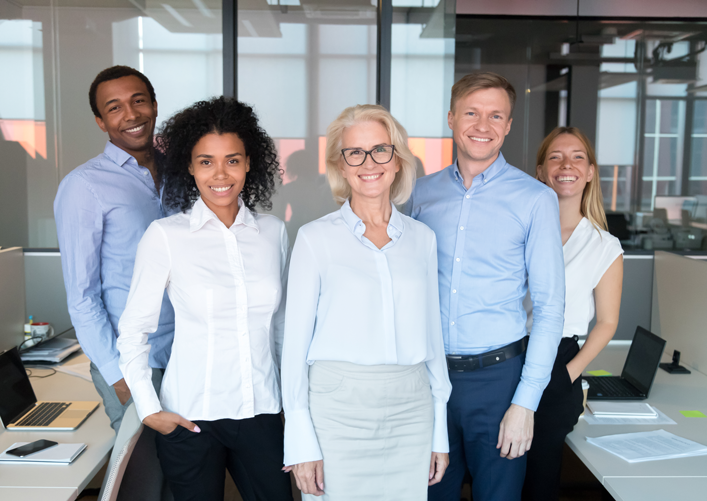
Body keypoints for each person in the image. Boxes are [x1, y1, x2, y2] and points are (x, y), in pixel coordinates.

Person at [116, 97, 293, 501]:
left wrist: (289, 398)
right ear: (190, 167)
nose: (220, 174)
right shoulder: (165, 236)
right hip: (190, 417)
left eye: (232, 160)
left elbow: (280, 325)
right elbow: (133, 330)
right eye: (206, 161)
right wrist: (149, 410)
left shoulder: (273, 233)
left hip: (262, 411)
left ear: (249, 163)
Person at [403, 72, 565, 501]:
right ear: (452, 118)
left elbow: (550, 309)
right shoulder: (420, 194)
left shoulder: (535, 200)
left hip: (499, 381)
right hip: (429, 377)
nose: (483, 125)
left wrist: (525, 403)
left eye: (496, 115)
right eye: (472, 113)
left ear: (509, 125)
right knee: (430, 494)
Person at [281, 104, 452, 500]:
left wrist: (438, 430)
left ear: (397, 161)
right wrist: (300, 437)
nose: (368, 162)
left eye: (380, 150)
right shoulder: (314, 238)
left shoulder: (423, 238)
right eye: (354, 152)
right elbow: (294, 347)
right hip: (336, 412)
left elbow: (433, 339)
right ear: (340, 166)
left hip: (412, 410)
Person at [54, 65, 174, 500]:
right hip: (134, 361)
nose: (131, 114)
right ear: (101, 122)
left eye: (139, 100)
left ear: (154, 105)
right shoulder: (84, 187)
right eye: (115, 107)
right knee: (146, 482)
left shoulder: (181, 174)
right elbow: (82, 296)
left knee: (186, 473)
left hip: (189, 354)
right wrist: (118, 375)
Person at [522, 127, 624, 501]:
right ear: (540, 170)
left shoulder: (603, 245)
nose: (567, 165)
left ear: (591, 171)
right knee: (498, 469)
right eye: (555, 157)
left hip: (558, 362)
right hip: (508, 352)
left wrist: (568, 373)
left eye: (577, 157)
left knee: (539, 476)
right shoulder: (522, 229)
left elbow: (608, 322)